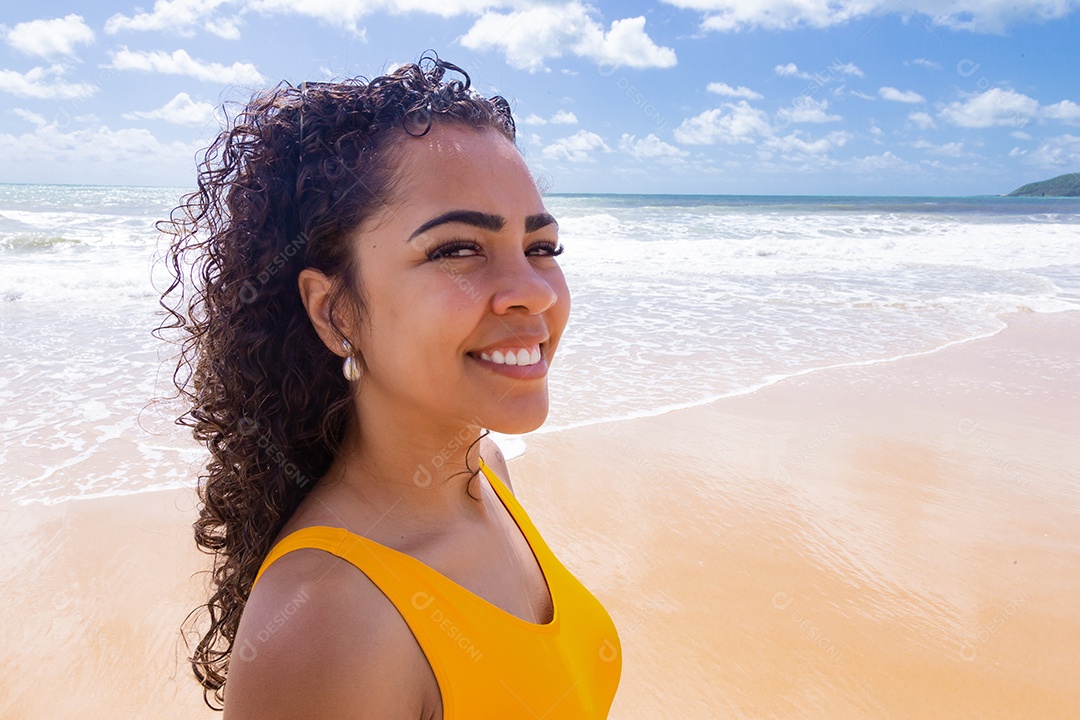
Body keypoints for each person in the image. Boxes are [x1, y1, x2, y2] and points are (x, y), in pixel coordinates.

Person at [158, 55, 622, 718]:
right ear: (335, 311)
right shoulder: (330, 621)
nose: (532, 292)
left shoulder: (484, 471)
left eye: (541, 247)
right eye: (457, 248)